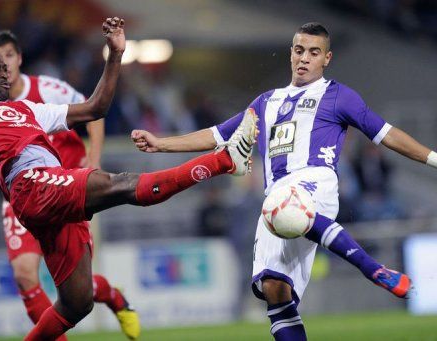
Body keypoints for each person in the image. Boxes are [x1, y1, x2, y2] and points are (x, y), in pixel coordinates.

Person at [0, 17, 258, 340]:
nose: (5, 74)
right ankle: (226, 159)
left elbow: (95, 108)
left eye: (7, 66)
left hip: (51, 189)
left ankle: (108, 298)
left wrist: (115, 55)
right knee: (123, 184)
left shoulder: (29, 108)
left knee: (77, 302)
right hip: (32, 186)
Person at [131, 22, 436, 341]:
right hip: (275, 200)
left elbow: (386, 134)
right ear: (291, 53)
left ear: (327, 58)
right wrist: (161, 142)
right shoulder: (265, 102)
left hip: (315, 181)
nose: (304, 58)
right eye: (299, 50)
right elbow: (218, 135)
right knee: (274, 290)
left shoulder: (338, 96)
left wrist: (433, 158)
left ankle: (373, 268)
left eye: (313, 52)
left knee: (284, 206)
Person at [0, 30, 139, 340]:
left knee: (75, 285)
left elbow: (94, 111)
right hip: (21, 197)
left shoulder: (48, 90)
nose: (4, 65)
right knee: (25, 276)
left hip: (65, 189)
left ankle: (112, 296)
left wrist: (94, 157)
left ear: (20, 57)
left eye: (9, 56)